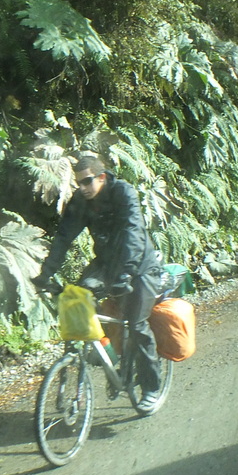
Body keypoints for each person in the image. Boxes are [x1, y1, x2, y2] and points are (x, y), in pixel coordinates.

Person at [31, 154, 165, 414]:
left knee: (136, 324)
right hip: (105, 264)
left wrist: (125, 274)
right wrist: (45, 274)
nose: (82, 188)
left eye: (87, 181)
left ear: (101, 177)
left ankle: (151, 387)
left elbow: (133, 233)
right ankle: (91, 360)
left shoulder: (123, 193)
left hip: (139, 267)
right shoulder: (82, 201)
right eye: (78, 183)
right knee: (78, 302)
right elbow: (63, 238)